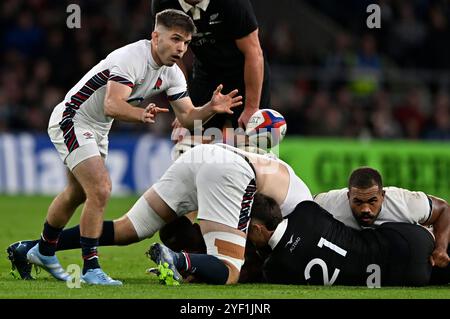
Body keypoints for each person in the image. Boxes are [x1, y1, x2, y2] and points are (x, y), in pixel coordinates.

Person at [8, 9, 244, 286]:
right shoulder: (131, 58)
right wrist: (139, 114)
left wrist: (210, 108)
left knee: (76, 193)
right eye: (176, 39)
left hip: (98, 127)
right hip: (73, 117)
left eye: (187, 42)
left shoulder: (173, 73)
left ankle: (43, 251)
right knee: (101, 189)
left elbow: (186, 116)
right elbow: (112, 103)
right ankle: (90, 267)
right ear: (156, 37)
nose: (181, 48)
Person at [7, 143, 312, 285]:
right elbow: (262, 237)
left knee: (128, 229)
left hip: (202, 154)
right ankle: (175, 259)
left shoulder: (286, 178)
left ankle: (33, 247)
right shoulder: (303, 209)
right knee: (229, 270)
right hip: (228, 171)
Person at [248, 194, 436, 286]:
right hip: (404, 240)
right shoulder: (306, 210)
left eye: (247, 231)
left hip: (402, 277)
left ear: (258, 229)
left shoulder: (273, 269)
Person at [151, 0, 271, 132]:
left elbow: (253, 53)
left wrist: (251, 108)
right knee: (190, 139)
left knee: (252, 142)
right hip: (205, 74)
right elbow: (171, 56)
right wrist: (183, 109)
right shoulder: (163, 4)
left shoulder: (234, 3)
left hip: (245, 74)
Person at [313, 167, 450, 269]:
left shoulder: (404, 202)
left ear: (383, 196)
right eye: (358, 202)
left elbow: (444, 208)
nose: (365, 209)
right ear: (348, 197)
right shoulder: (331, 203)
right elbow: (305, 209)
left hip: (417, 254)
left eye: (372, 201)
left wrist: (441, 248)